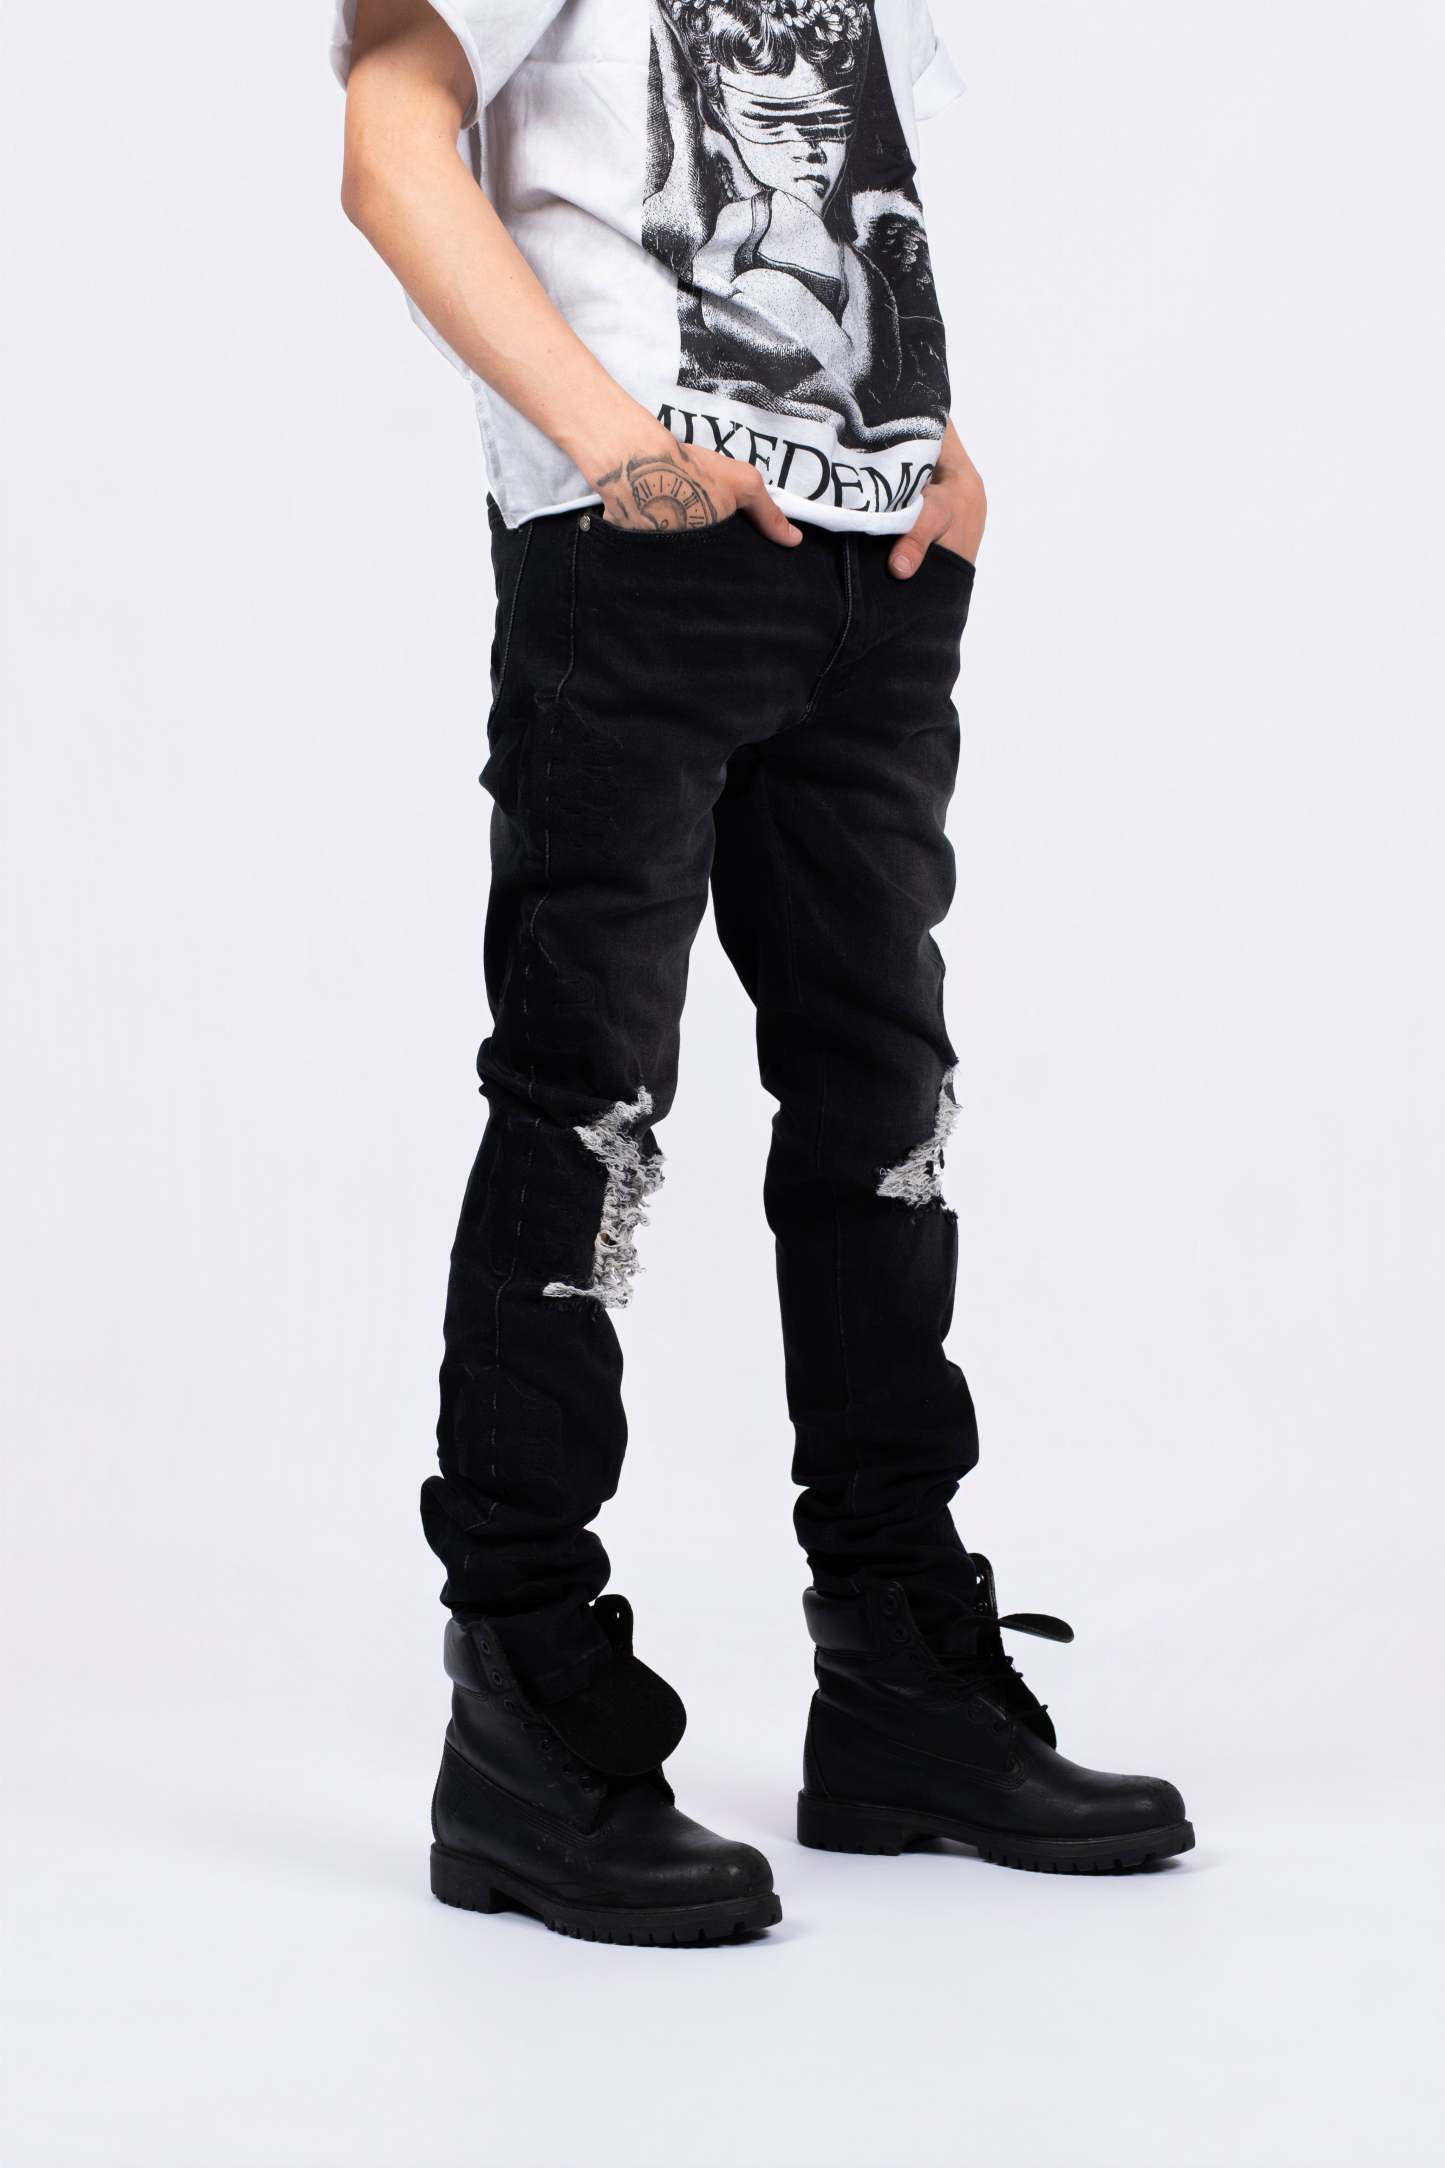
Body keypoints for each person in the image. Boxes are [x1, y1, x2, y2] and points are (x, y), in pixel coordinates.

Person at [335, 0, 1193, 1947]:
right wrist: (623, 451)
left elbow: (844, 195)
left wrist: (932, 456)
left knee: (883, 1111)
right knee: (589, 1114)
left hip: (872, 580)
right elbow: (392, 150)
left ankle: (899, 1675)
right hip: (641, 559)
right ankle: (526, 1707)